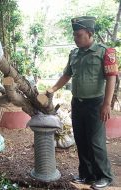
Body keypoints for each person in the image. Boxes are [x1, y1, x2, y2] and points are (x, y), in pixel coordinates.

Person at [48, 16, 117, 189]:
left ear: (90, 33)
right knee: (81, 140)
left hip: (96, 104)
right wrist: (52, 89)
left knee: (95, 141)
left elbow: (111, 78)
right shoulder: (74, 54)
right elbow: (66, 75)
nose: (75, 38)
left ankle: (105, 176)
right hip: (77, 103)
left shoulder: (105, 52)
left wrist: (107, 104)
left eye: (78, 35)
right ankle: (86, 175)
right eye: (74, 35)